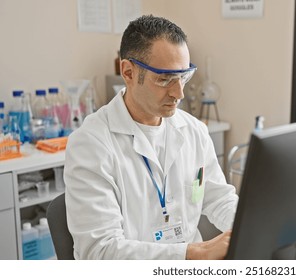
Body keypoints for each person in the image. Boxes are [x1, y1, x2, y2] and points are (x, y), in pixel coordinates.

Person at [64, 15, 239, 260]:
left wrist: (251, 230)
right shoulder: (91, 144)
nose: (178, 93)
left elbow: (219, 198)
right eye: (165, 79)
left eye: (183, 77)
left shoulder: (194, 131)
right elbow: (100, 252)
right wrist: (193, 254)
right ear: (128, 72)